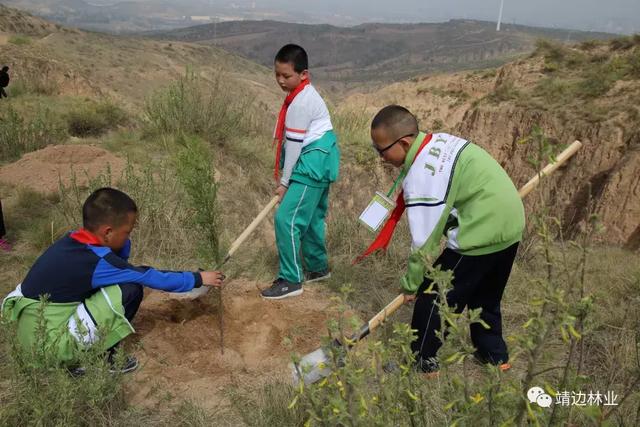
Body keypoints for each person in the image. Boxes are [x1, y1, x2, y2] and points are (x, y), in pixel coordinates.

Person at [361, 105, 525, 375]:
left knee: (433, 296)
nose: (381, 158)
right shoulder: (437, 141)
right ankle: (495, 357)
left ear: (403, 142)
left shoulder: (423, 173)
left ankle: (422, 363)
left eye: (382, 150)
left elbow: (424, 243)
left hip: (481, 230)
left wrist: (412, 284)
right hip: (510, 224)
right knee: (486, 297)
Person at [1, 187, 224, 373]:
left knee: (121, 281)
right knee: (130, 290)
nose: (130, 236)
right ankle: (99, 361)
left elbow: (123, 263)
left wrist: (122, 244)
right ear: (107, 232)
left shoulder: (74, 241)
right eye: (127, 231)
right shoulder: (96, 261)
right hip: (50, 347)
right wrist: (198, 278)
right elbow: (145, 275)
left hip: (32, 336)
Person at [261, 44, 340, 300]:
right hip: (323, 160)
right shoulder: (303, 95)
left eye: (287, 76)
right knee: (312, 220)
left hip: (310, 165)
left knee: (287, 219)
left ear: (303, 74)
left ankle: (291, 279)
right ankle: (317, 269)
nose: (281, 81)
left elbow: (294, 149)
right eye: (277, 75)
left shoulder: (300, 104)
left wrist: (285, 183)